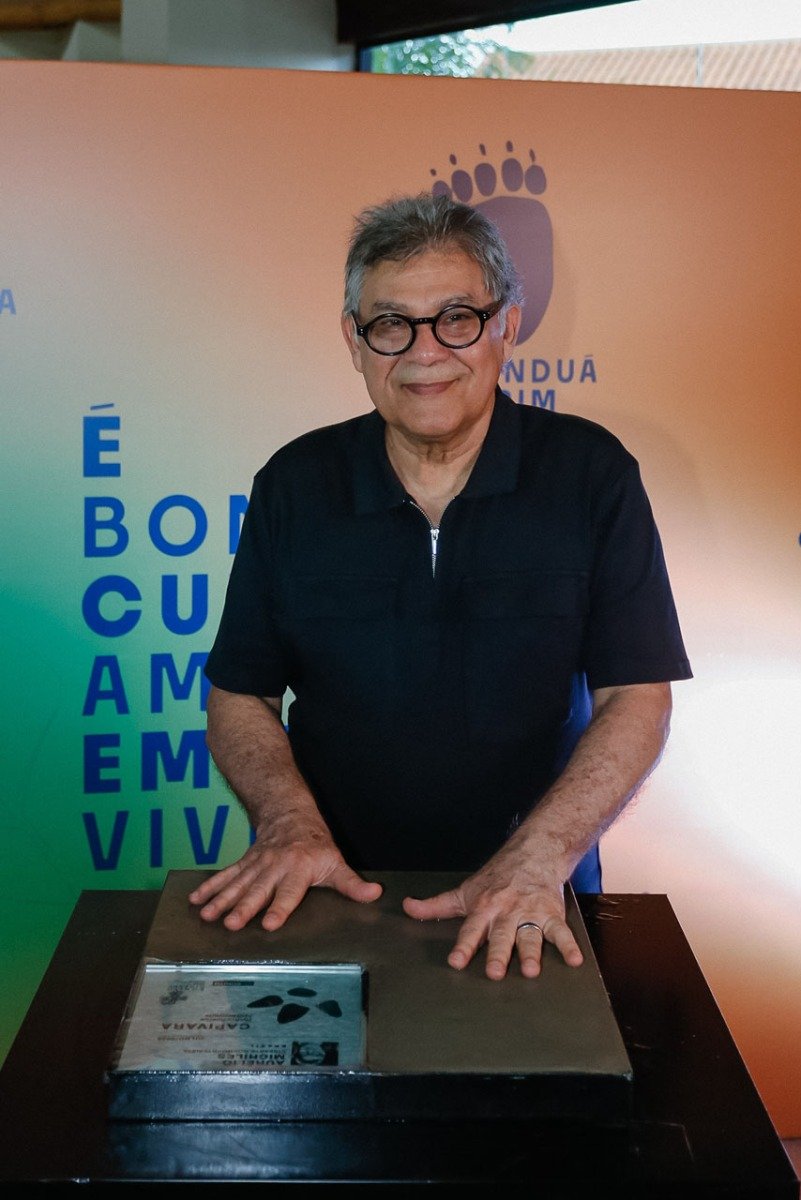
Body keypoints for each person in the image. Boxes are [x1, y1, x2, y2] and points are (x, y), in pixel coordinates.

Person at [191, 192, 691, 981]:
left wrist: (539, 856)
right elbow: (239, 694)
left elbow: (636, 696)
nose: (424, 353)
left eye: (456, 318)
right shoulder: (295, 483)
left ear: (506, 326)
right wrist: (288, 826)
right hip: (326, 886)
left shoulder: (590, 475)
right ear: (353, 340)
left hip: (532, 897)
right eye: (391, 324)